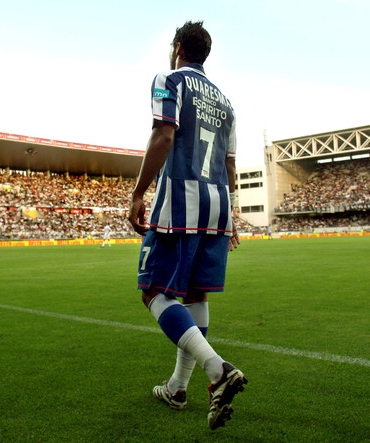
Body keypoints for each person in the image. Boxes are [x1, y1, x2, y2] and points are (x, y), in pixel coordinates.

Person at [127, 21, 246, 431]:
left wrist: (138, 192)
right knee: (195, 295)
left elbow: (164, 135)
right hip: (217, 207)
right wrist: (230, 216)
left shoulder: (170, 79)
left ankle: (217, 370)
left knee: (154, 292)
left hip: (181, 202)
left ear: (178, 47)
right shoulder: (227, 103)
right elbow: (230, 167)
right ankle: (178, 387)